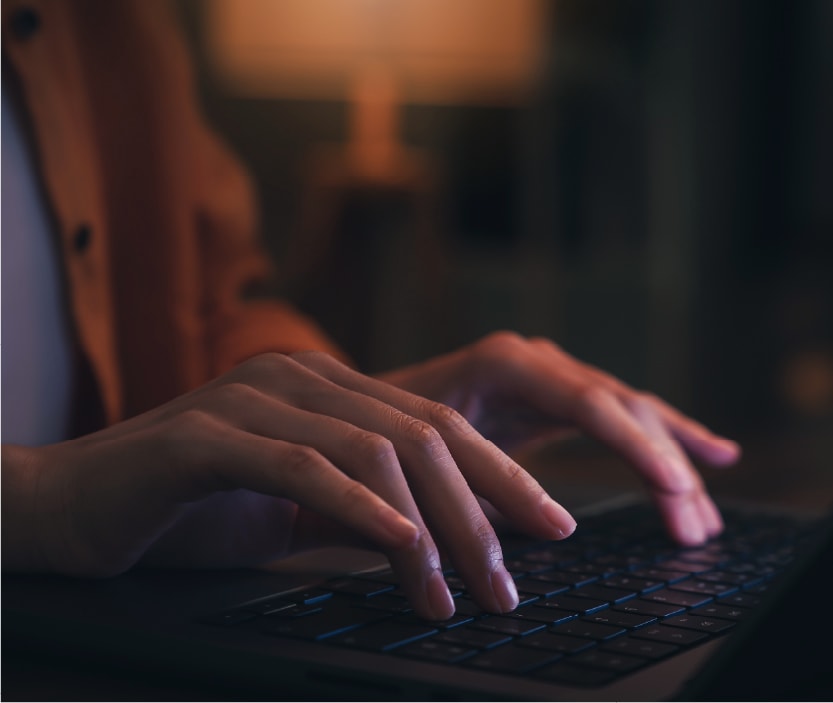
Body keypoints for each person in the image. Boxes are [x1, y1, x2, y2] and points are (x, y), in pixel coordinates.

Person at [0, 0, 739, 622]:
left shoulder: (104, 20)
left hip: (132, 614)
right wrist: (41, 498)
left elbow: (213, 297)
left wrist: (361, 422)